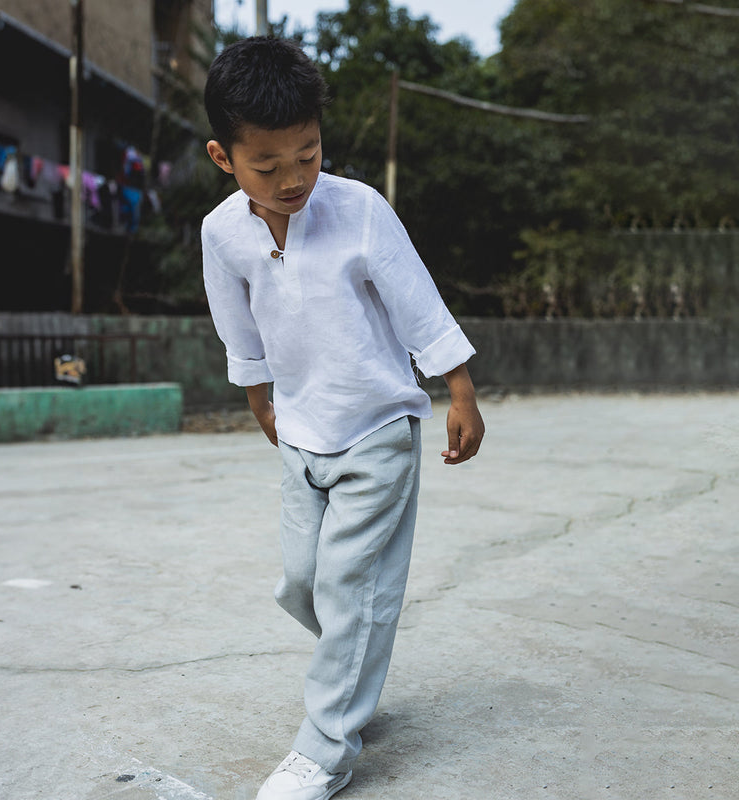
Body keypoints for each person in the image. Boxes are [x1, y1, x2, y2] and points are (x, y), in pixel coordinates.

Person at [201, 36, 485, 800]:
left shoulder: (359, 209)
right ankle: (354, 674)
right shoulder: (221, 233)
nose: (294, 178)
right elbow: (240, 327)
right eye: (269, 165)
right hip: (300, 433)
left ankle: (324, 750)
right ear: (225, 158)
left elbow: (417, 300)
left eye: (309, 153)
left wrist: (457, 387)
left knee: (350, 584)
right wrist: (259, 398)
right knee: (304, 585)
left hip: (378, 430)